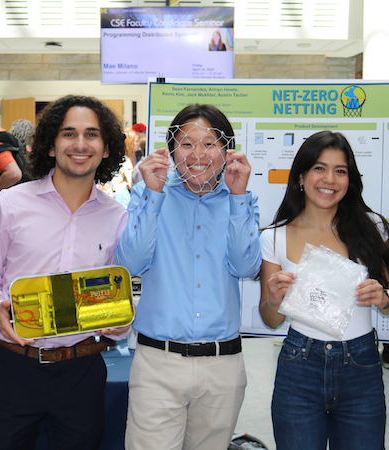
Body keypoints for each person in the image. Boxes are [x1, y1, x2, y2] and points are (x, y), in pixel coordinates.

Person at [0, 95, 129, 450]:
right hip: (14, 365)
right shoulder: (12, 204)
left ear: (106, 149)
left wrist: (121, 321)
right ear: (52, 146)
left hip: (82, 370)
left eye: (92, 135)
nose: (80, 144)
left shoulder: (117, 218)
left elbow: (122, 290)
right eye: (68, 134)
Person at [116, 104, 260, 450]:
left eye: (210, 144)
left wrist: (238, 198)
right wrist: (152, 194)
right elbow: (130, 263)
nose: (198, 154)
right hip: (158, 363)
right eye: (186, 143)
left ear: (227, 151)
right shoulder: (148, 194)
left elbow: (247, 267)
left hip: (222, 365)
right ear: (170, 149)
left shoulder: (242, 200)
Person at [259, 130, 389, 449]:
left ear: (350, 180)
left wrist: (384, 298)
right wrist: (273, 299)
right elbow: (270, 320)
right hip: (299, 364)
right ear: (301, 176)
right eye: (320, 168)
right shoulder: (274, 237)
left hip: (361, 363)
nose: (330, 179)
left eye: (341, 171)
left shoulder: (372, 227)